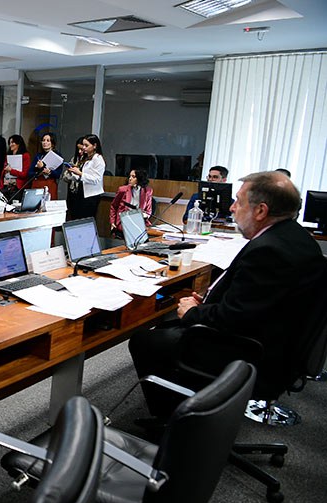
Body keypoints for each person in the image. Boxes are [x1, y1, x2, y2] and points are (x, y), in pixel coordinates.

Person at [129, 171, 327, 417]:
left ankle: (179, 423)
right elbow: (257, 302)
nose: (232, 208)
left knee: (146, 340)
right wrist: (210, 302)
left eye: (239, 201)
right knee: (164, 329)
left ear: (261, 211)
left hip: (253, 355)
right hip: (279, 345)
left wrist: (193, 312)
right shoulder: (296, 237)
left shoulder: (269, 251)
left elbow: (235, 318)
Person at [65, 134, 105, 220]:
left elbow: (96, 179)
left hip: (91, 196)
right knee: (77, 218)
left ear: (94, 146)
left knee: (85, 220)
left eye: (86, 145)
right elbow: (81, 178)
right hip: (81, 192)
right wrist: (73, 173)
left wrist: (80, 173)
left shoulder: (98, 159)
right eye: (83, 145)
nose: (84, 148)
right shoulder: (86, 157)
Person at [110, 169, 153, 235]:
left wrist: (145, 215)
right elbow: (113, 206)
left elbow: (148, 211)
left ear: (140, 178)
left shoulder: (147, 191)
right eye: (130, 176)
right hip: (124, 221)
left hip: (139, 221)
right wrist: (112, 222)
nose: (130, 179)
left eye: (133, 177)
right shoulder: (122, 190)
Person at [27, 132, 63, 199]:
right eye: (43, 140)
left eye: (47, 140)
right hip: (37, 183)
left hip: (49, 184)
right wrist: (38, 170)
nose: (44, 142)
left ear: (52, 143)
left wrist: (48, 171)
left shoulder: (57, 155)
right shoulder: (38, 155)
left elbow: (58, 174)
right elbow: (29, 173)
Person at [0, 134, 31, 199]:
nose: (11, 144)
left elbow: (25, 174)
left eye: (13, 142)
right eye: (10, 143)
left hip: (18, 188)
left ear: (18, 143)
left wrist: (11, 170)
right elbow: (3, 172)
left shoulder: (25, 156)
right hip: (6, 186)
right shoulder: (8, 156)